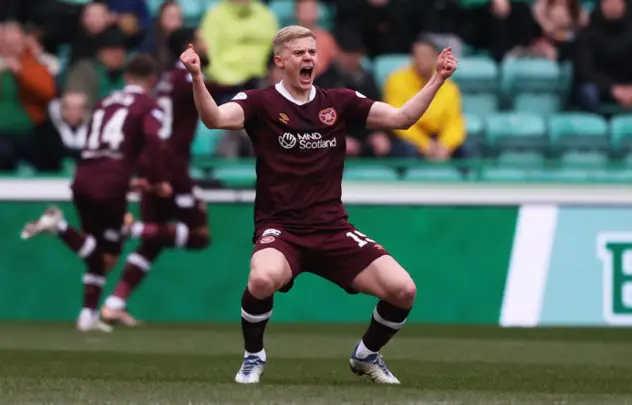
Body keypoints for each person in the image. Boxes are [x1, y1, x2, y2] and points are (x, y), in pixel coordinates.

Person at [180, 25, 457, 384]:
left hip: (332, 228)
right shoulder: (259, 102)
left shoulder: (338, 101)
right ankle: (253, 356)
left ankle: (367, 355)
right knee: (262, 278)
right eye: (299, 53)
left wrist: (437, 78)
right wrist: (197, 76)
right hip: (281, 229)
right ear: (280, 61)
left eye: (311, 52)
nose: (307, 58)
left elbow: (402, 119)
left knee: (403, 290)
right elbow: (214, 119)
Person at [20, 54, 171, 333]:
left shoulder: (104, 102)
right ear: (152, 81)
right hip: (110, 184)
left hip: (84, 177)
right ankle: (60, 226)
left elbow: (101, 149)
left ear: (126, 78)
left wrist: (130, 181)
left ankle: (86, 317)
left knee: (95, 249)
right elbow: (154, 140)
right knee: (107, 256)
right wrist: (157, 179)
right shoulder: (148, 104)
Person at [100, 27, 215, 325]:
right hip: (172, 170)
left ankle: (114, 303)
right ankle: (133, 229)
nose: (206, 45)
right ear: (190, 47)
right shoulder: (187, 80)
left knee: (155, 238)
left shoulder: (164, 81)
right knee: (199, 236)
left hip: (154, 166)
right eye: (202, 40)